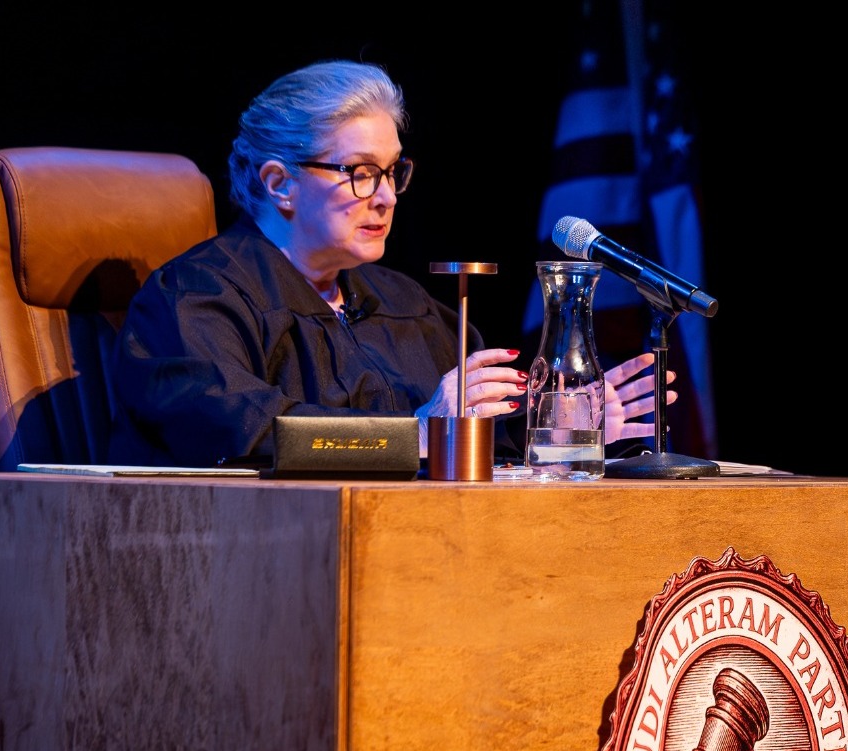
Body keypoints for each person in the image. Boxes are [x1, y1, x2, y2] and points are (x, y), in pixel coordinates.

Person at [107, 59, 677, 467]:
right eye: (360, 172)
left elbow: (487, 447)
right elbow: (244, 433)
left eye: (392, 171)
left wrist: (559, 435)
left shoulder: (409, 306)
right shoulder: (193, 299)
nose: (385, 197)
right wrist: (418, 434)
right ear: (279, 183)